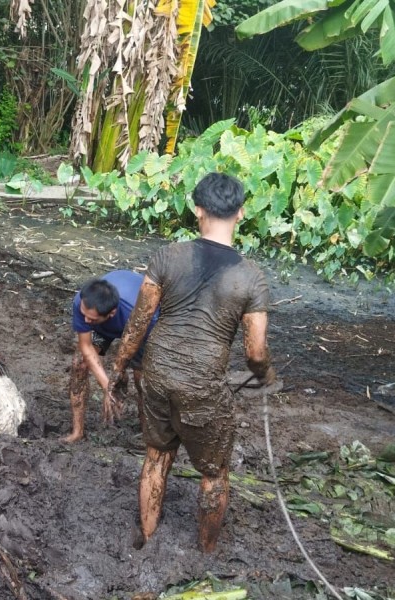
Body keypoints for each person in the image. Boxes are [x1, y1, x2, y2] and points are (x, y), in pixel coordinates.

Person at [107, 172, 276, 553]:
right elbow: (255, 353)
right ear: (241, 213)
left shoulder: (168, 256)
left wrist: (118, 367)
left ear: (197, 209)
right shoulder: (251, 278)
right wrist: (266, 375)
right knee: (214, 473)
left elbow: (136, 325)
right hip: (202, 385)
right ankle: (206, 552)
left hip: (157, 372)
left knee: (156, 456)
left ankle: (148, 536)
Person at [63, 270, 159, 443]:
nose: (85, 321)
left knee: (142, 379)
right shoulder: (82, 303)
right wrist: (108, 386)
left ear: (111, 313)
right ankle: (77, 432)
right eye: (84, 315)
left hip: (140, 328)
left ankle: (147, 433)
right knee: (79, 364)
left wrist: (120, 372)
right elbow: (86, 347)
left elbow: (133, 348)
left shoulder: (144, 315)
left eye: (91, 319)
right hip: (103, 329)